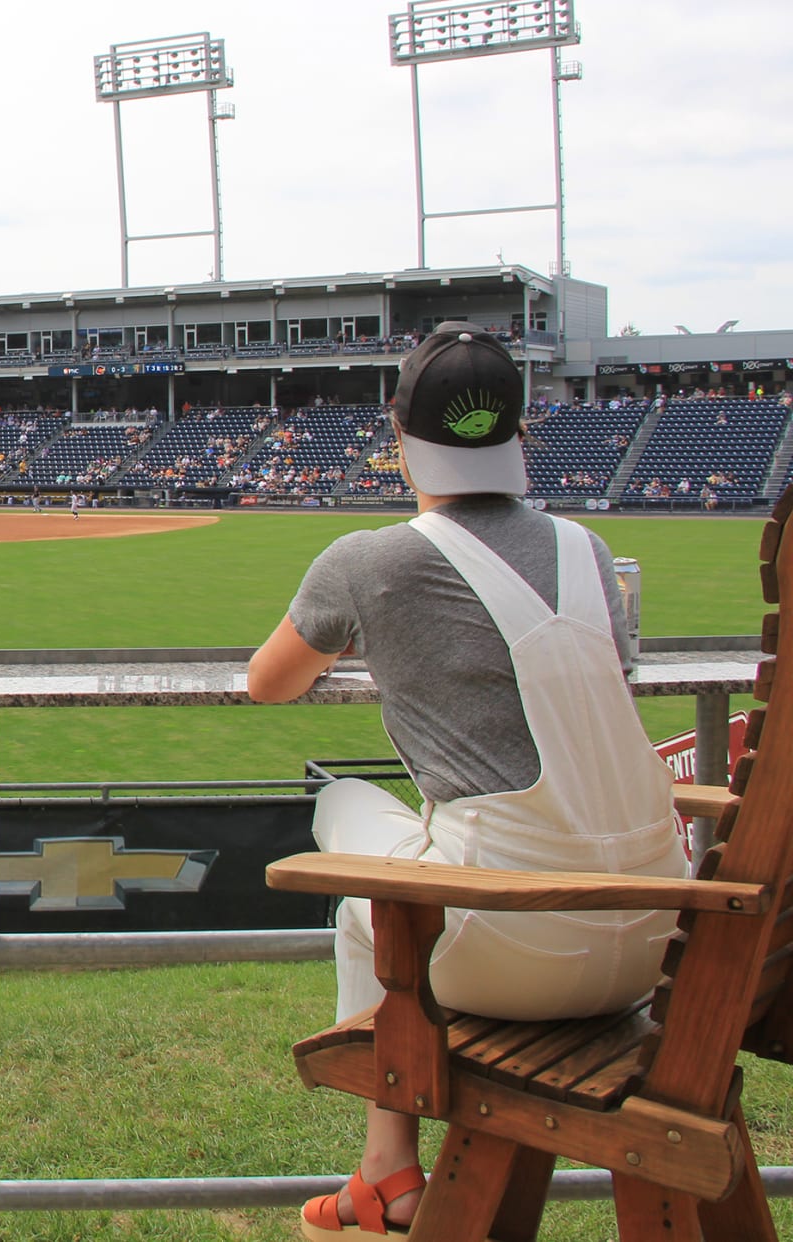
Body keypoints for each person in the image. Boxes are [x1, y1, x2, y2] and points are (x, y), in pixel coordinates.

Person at [246, 323, 683, 1240]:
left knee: (345, 809)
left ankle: (385, 1168)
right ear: (519, 431)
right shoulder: (589, 551)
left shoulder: (368, 560)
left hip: (510, 948)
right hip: (651, 931)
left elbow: (270, 680)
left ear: (400, 430)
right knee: (396, 877)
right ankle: (383, 1174)